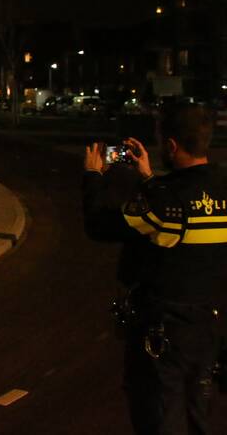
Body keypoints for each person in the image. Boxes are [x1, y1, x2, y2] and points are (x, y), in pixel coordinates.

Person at [83, 103, 227, 434]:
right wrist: (148, 176)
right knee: (197, 417)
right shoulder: (221, 187)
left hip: (163, 338)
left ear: (172, 146)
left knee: (160, 418)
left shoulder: (164, 203)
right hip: (205, 330)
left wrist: (93, 175)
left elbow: (99, 225)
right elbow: (186, 213)